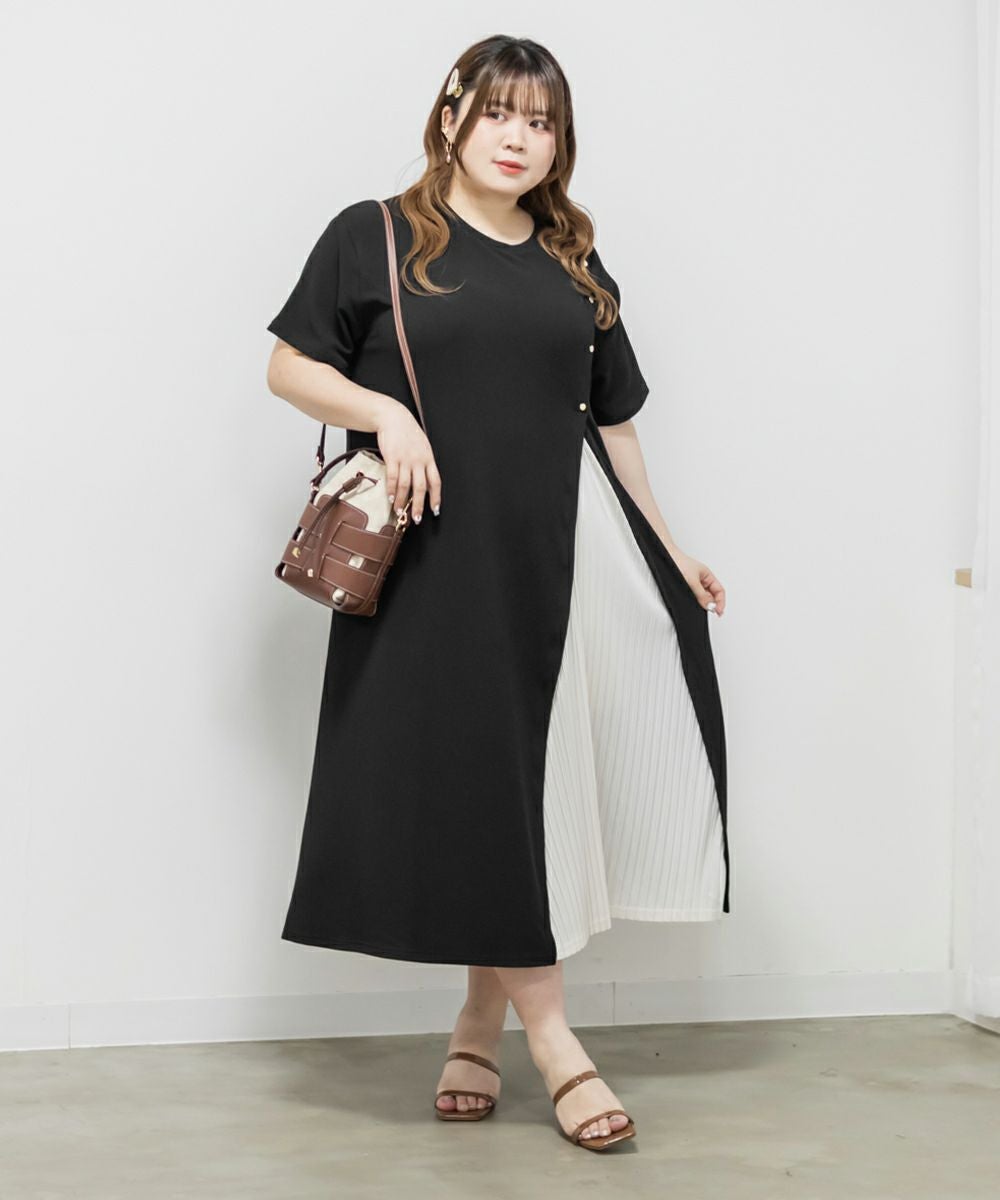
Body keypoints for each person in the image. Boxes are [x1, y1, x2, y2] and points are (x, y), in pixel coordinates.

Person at [265, 35, 730, 1152]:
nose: (520, 138)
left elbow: (613, 423)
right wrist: (385, 412)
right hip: (436, 562)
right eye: (499, 114)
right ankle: (556, 1040)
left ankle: (480, 1019)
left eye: (543, 121)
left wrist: (671, 549)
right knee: (489, 785)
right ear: (451, 118)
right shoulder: (375, 234)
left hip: (560, 554)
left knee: (522, 791)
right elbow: (289, 364)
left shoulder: (573, 257)